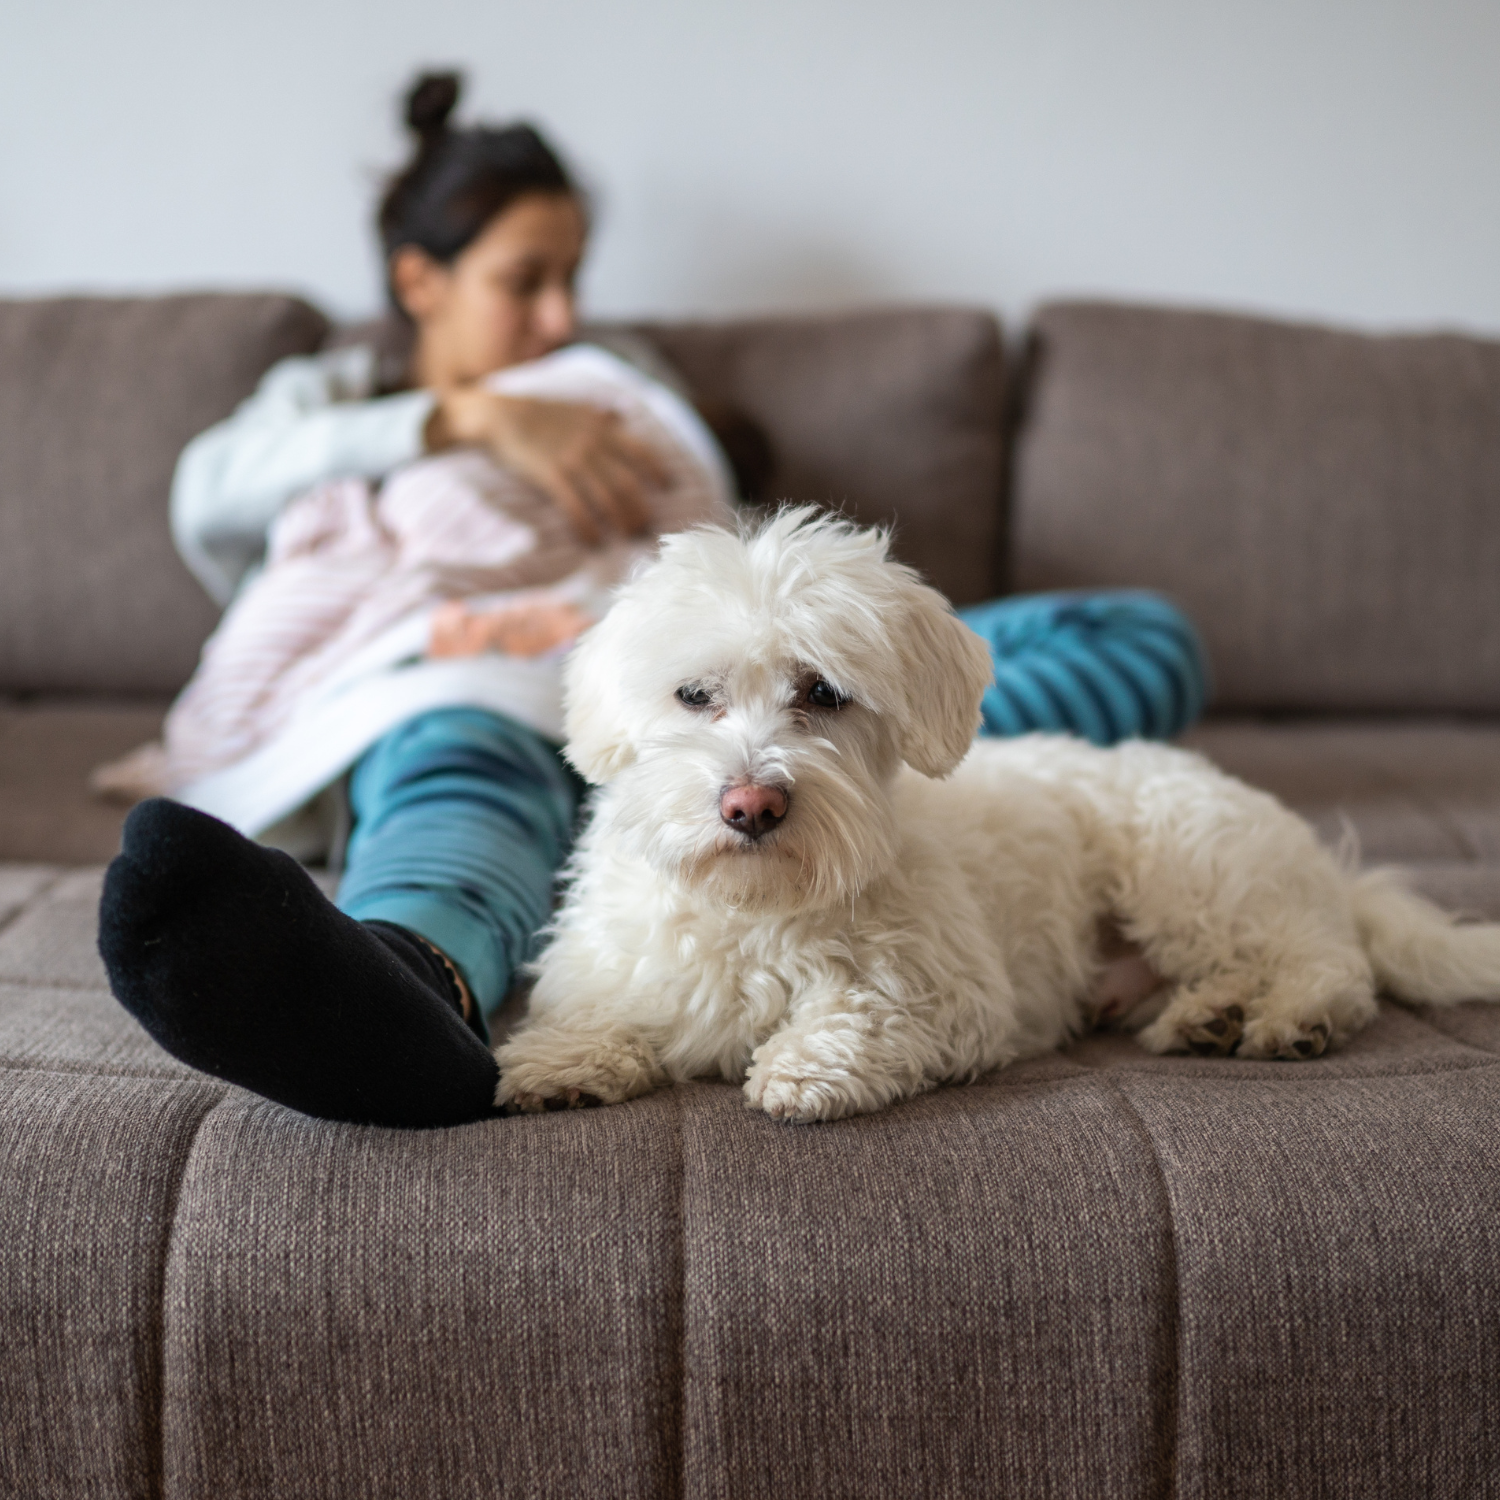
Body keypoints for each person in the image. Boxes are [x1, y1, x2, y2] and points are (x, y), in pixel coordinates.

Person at [98, 71, 1208, 1130]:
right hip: (477, 685)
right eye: (522, 282)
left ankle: (883, 760)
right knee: (463, 786)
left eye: (573, 279)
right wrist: (468, 422)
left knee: (1131, 633)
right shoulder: (334, 394)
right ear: (419, 283)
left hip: (732, 688)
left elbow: (717, 556)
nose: (557, 316)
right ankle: (400, 988)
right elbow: (209, 493)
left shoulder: (619, 375)